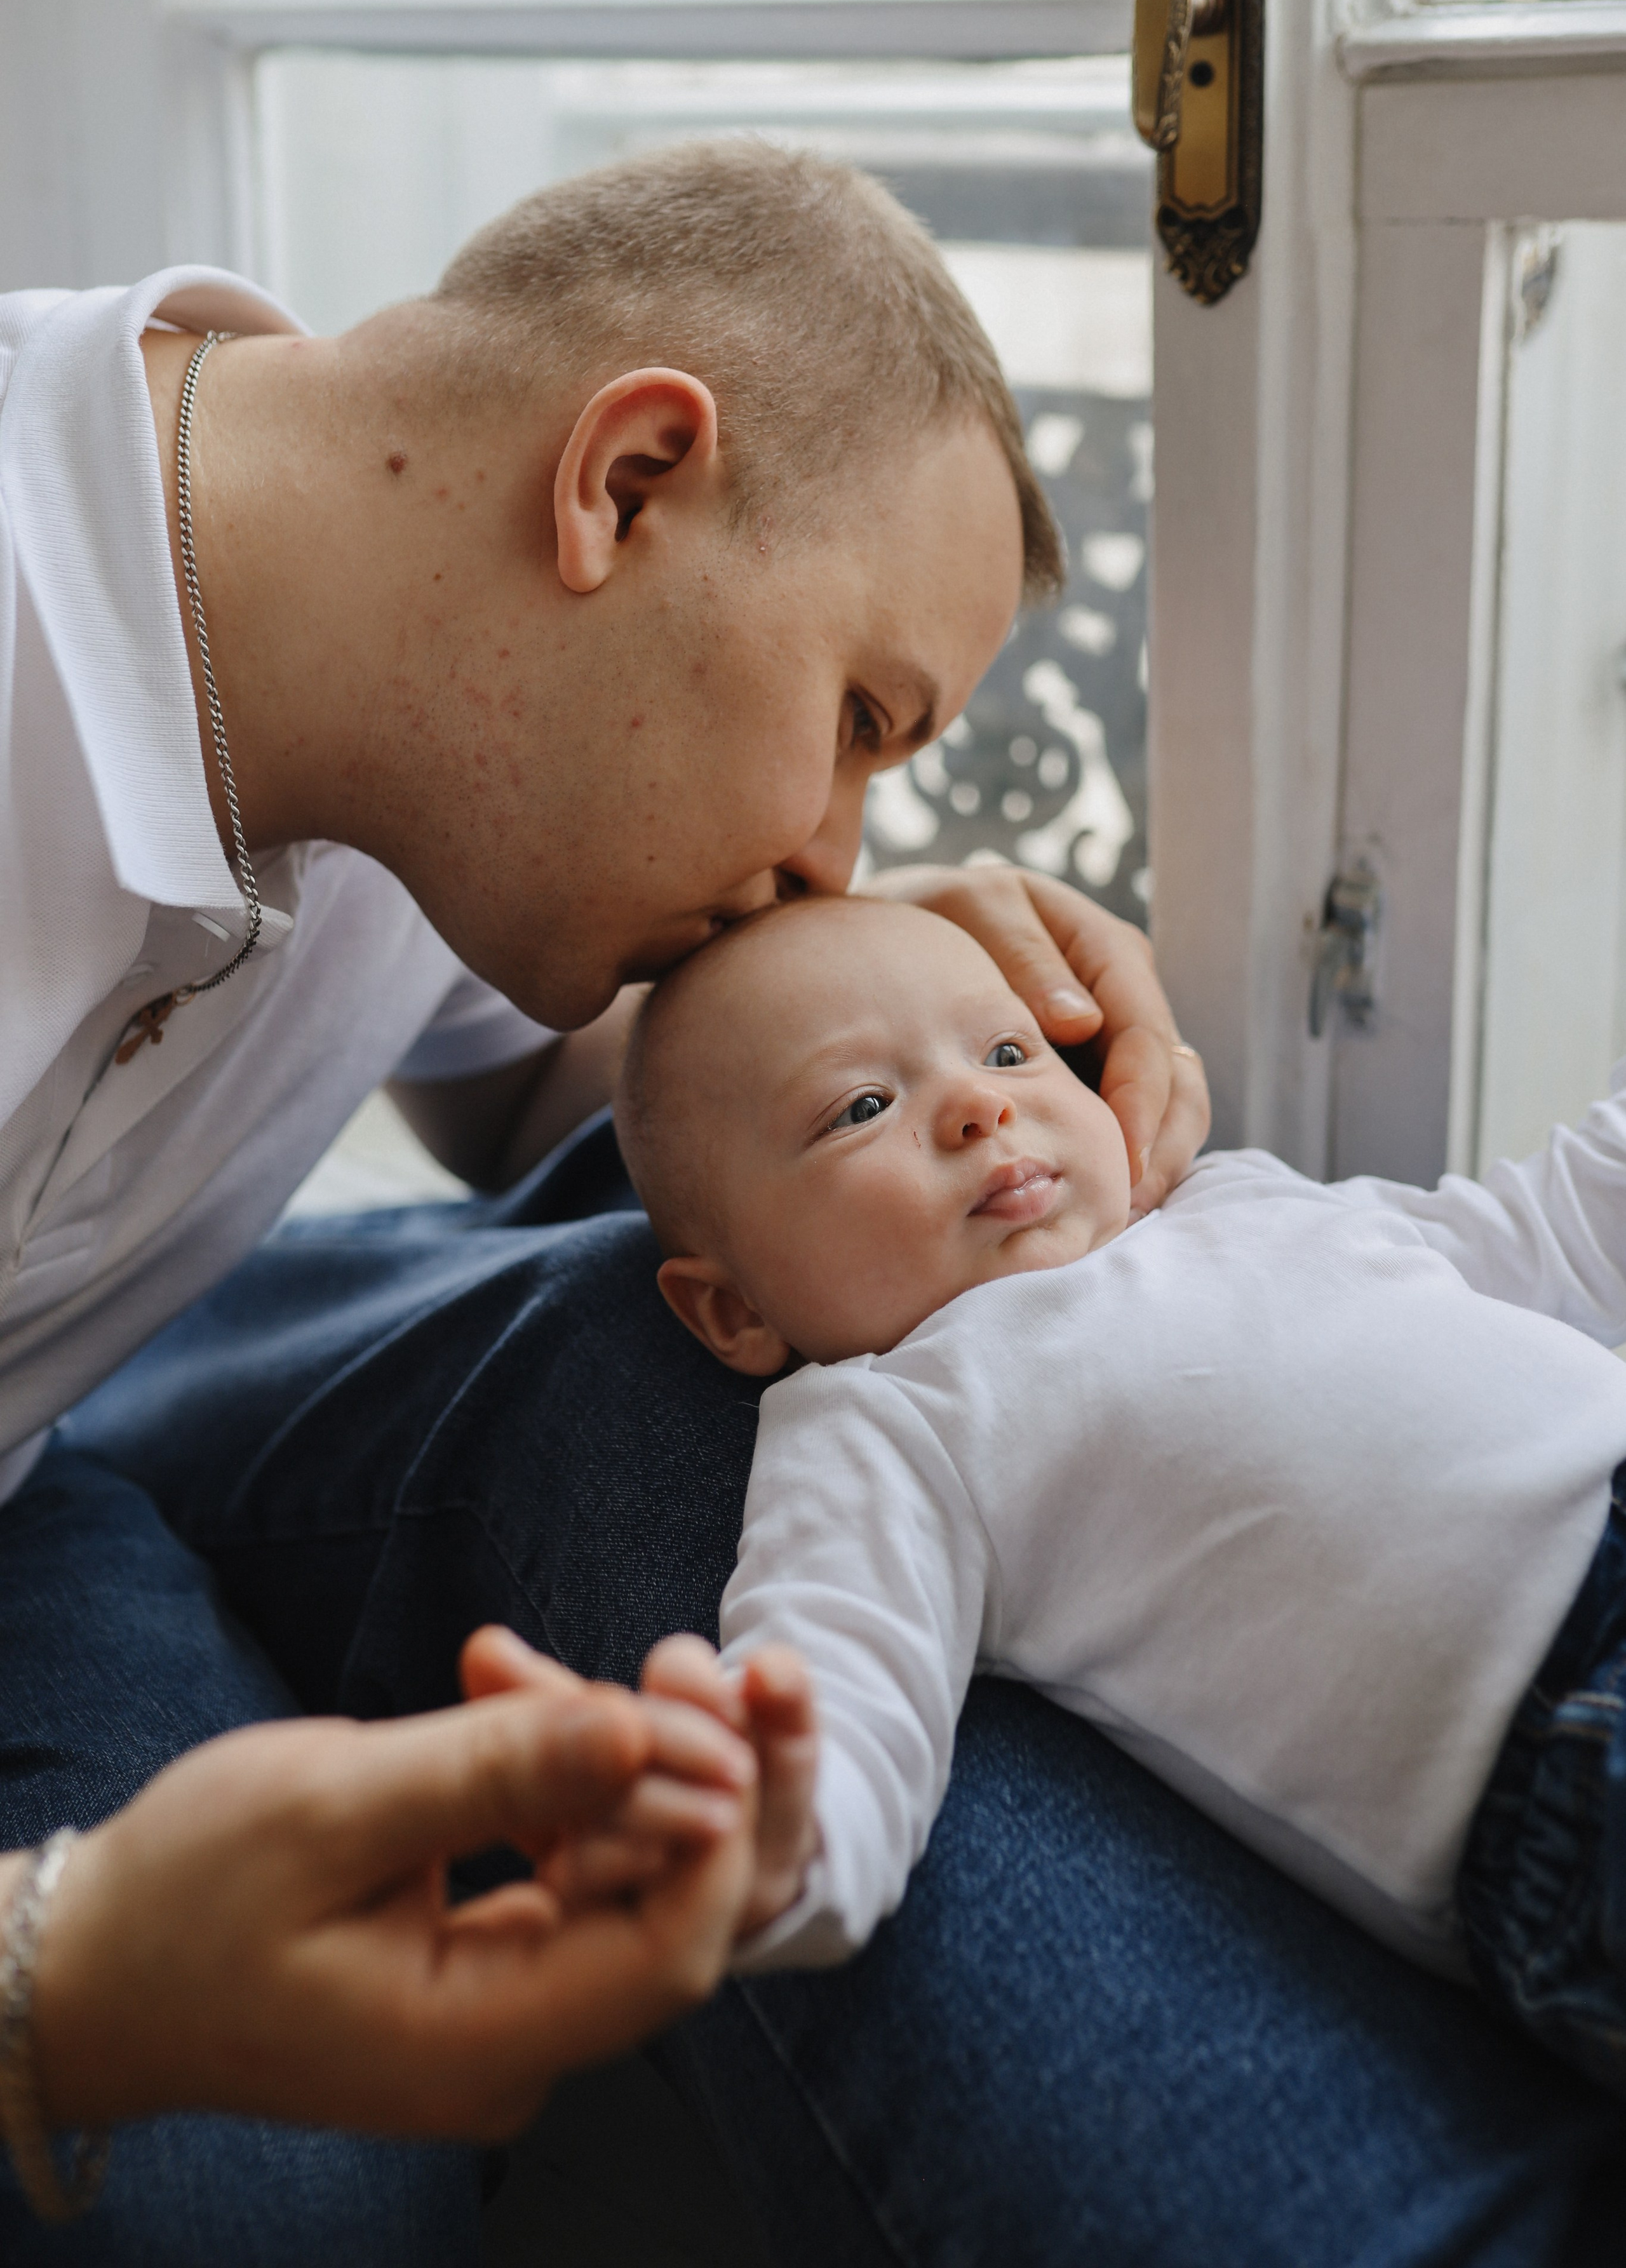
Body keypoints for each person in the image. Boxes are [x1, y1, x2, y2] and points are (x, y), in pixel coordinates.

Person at [0, 140, 1208, 2261]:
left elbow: (573, 1093)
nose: (843, 844)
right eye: (855, 724)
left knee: (292, 2193)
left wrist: (892, 1014)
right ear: (627, 482)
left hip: (36, 1492)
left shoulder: (414, 705)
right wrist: (54, 1987)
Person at [608, 890, 1626, 2100]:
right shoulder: (888, 1418)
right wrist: (763, 1830)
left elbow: (1549, 1243)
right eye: (862, 1108)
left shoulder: (1228, 1196)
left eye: (1007, 1051)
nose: (984, 1105)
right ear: (734, 1310)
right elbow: (839, 1688)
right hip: (1558, 1735)